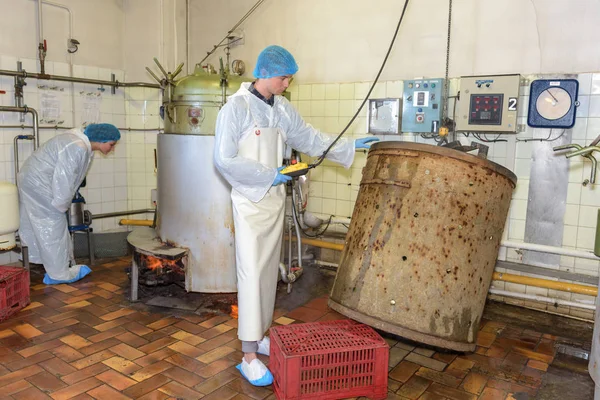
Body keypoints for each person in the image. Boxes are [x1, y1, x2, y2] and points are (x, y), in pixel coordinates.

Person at [214, 45, 377, 386]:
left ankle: (259, 336)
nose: (287, 83)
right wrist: (267, 175)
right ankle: (247, 356)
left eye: (289, 78)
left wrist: (350, 145)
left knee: (267, 275)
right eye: (284, 77)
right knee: (251, 273)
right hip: (250, 201)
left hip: (274, 202)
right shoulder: (236, 108)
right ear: (264, 73)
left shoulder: (282, 109)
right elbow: (224, 159)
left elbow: (310, 139)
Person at [18, 123, 121, 285]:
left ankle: (50, 263)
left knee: (42, 224)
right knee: (53, 225)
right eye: (112, 144)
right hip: (40, 184)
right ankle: (58, 274)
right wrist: (61, 204)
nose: (112, 149)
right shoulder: (77, 147)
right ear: (102, 140)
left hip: (33, 180)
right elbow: (64, 179)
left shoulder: (82, 145)